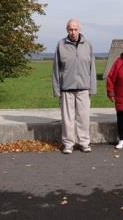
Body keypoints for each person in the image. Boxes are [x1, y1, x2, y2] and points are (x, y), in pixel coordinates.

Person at [52, 19, 96, 154]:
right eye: (70, 29)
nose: (73, 32)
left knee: (83, 118)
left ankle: (84, 142)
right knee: (67, 119)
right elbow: (55, 69)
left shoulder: (87, 45)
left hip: (83, 88)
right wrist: (56, 89)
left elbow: (92, 68)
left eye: (75, 29)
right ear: (67, 30)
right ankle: (68, 144)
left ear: (79, 29)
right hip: (66, 88)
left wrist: (92, 88)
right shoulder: (61, 45)